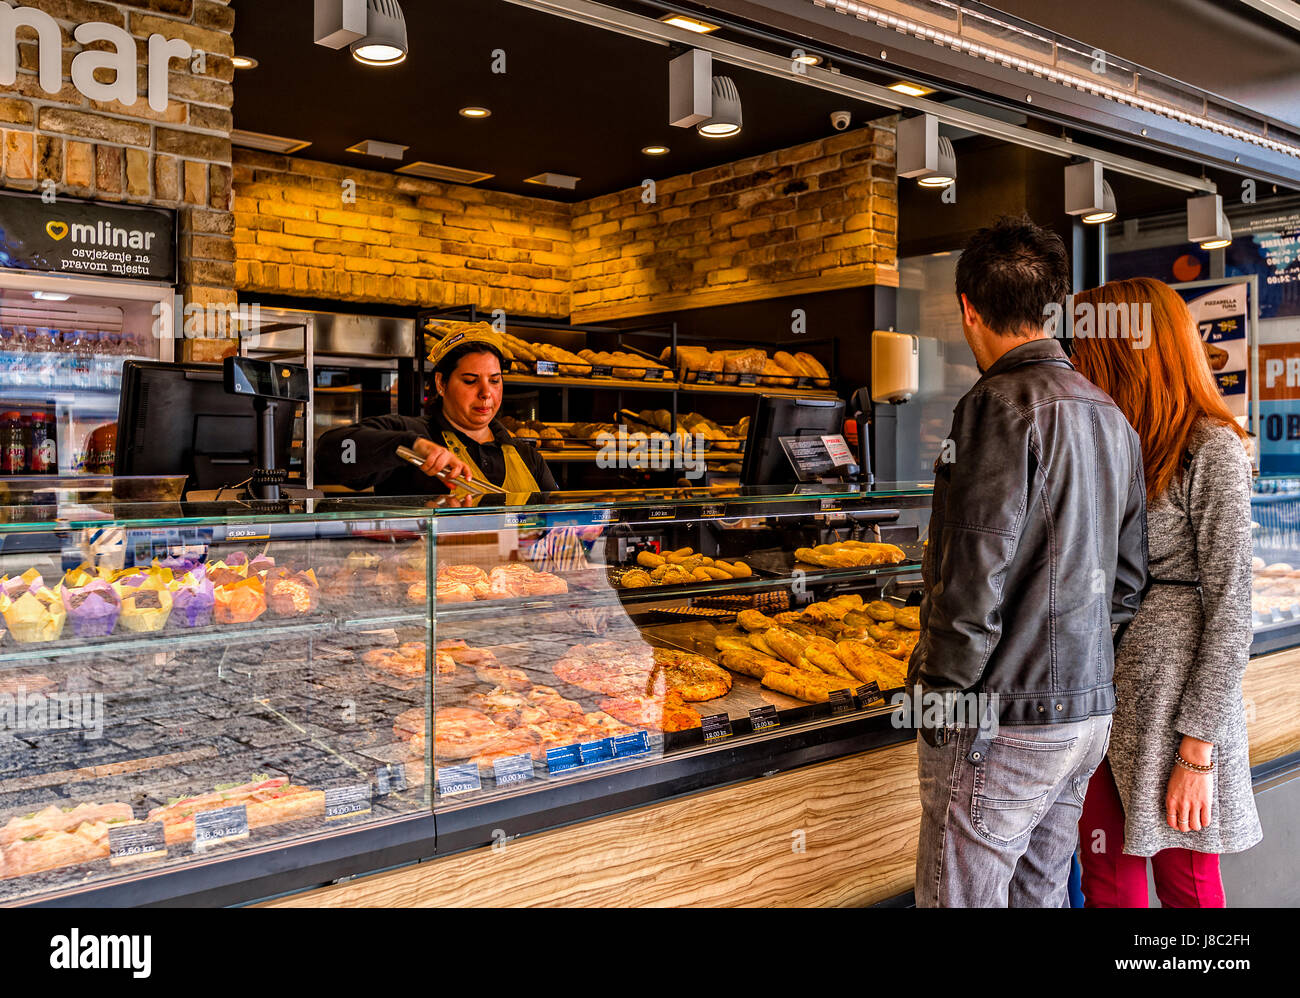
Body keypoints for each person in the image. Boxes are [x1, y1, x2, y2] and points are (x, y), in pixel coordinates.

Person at [908, 215, 1148, 908]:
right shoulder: (1109, 414)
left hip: (1003, 720)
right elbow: (1128, 581)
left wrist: (942, 699)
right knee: (1041, 898)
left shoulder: (994, 404)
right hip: (1084, 719)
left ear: (968, 310)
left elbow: (972, 576)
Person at [1071, 277, 1262, 907]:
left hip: (1174, 714)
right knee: (1106, 879)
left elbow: (1232, 608)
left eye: (1089, 350)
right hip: (1098, 697)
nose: (1078, 362)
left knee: (1187, 885)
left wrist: (1197, 753)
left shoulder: (1212, 447)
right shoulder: (1114, 445)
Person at [316, 326, 558, 496]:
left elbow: (561, 521)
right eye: (471, 380)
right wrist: (410, 447)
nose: (486, 393)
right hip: (422, 571)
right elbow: (329, 452)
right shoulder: (413, 432)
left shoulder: (527, 456)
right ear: (441, 384)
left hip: (515, 571)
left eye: (494, 381)